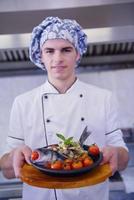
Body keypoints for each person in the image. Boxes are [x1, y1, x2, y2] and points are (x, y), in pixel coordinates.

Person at [0, 16, 129, 200]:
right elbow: (6, 170)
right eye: (49, 51)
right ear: (40, 55)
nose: (57, 58)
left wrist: (116, 153)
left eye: (66, 50)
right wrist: (14, 155)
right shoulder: (23, 103)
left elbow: (123, 160)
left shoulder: (103, 98)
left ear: (77, 53)